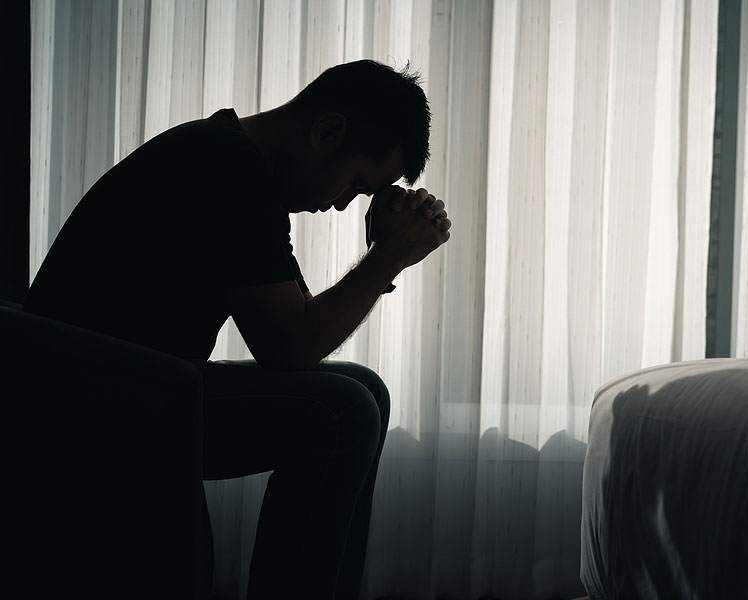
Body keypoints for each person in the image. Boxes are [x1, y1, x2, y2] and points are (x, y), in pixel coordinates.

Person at [23, 59, 450, 599]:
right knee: (345, 411)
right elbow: (290, 348)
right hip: (90, 404)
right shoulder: (225, 170)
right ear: (327, 131)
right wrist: (387, 259)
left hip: (139, 386)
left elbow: (299, 325)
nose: (341, 203)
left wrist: (382, 254)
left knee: (365, 390)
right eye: (355, 184)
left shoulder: (239, 167)